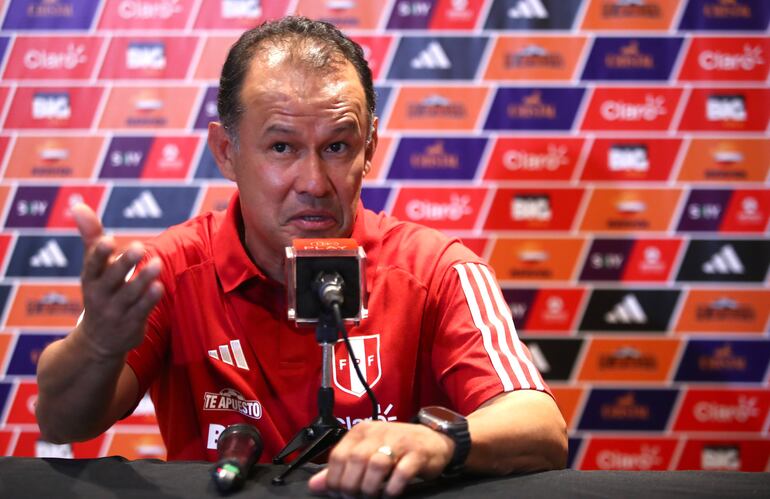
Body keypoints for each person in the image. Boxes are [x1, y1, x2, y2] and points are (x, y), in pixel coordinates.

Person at [35, 16, 567, 497]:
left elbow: (541, 426)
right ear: (227, 151)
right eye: (282, 147)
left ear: (370, 147)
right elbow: (61, 423)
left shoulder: (438, 270)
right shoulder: (165, 270)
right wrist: (100, 345)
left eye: (337, 146)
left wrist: (440, 443)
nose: (313, 184)